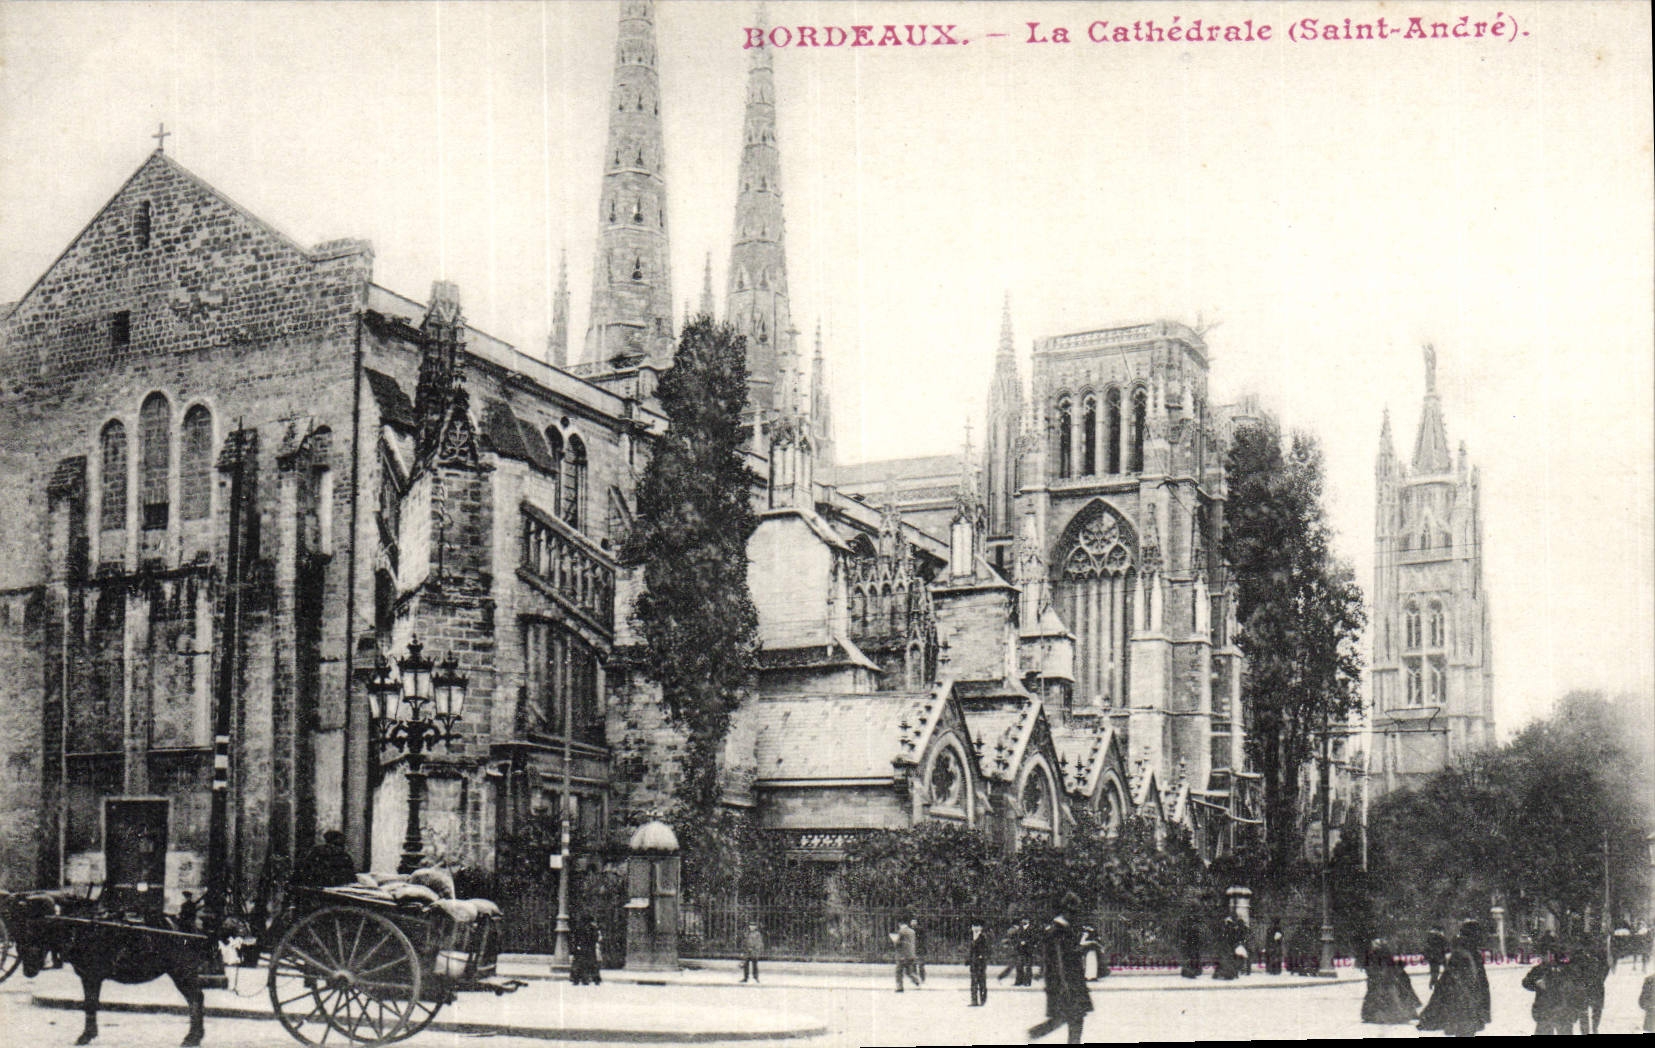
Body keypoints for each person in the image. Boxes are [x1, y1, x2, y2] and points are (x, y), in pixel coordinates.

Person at [1027, 894, 1093, 1044]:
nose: (1076, 915)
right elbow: (1059, 959)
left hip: (1069, 981)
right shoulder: (1058, 931)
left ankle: (1032, 1035)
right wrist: (1065, 984)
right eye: (1074, 911)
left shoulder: (1060, 929)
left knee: (1072, 1017)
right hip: (1066, 982)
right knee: (1068, 1017)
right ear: (1067, 911)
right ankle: (1030, 1035)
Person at [1417, 920, 1492, 1037]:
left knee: (1466, 1031)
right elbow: (1455, 978)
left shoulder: (1469, 952)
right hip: (1465, 1002)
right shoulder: (1463, 953)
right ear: (1473, 936)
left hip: (1467, 1001)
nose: (1481, 938)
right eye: (1478, 935)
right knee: (1465, 1031)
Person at [1361, 938, 1422, 1024]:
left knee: (1391, 994)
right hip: (1385, 979)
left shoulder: (1376, 954)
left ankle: (1376, 1015)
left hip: (1383, 979)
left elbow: (1374, 967)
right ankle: (1403, 1013)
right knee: (1394, 994)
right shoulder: (1381, 954)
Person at [1521, 946, 1573, 1036]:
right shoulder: (1539, 969)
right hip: (1545, 1010)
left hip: (1562, 1009)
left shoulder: (1565, 969)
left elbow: (1573, 985)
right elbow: (1525, 982)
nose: (1549, 958)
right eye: (1546, 955)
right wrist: (1536, 983)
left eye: (1551, 955)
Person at [291, 829, 358, 889]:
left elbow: (351, 876)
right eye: (336, 844)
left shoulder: (345, 857)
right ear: (328, 843)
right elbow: (308, 872)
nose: (339, 848)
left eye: (341, 845)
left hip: (339, 887)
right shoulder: (317, 853)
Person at [1569, 943, 1607, 1035]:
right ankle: (1589, 1030)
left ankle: (1593, 1029)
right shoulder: (1579, 957)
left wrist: (1600, 979)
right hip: (1587, 986)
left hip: (1593, 986)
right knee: (1586, 1011)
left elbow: (1606, 967)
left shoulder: (1599, 956)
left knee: (1593, 1010)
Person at [1001, 917, 1037, 986]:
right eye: (1022, 920)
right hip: (1021, 950)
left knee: (1028, 967)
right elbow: (1017, 938)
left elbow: (1034, 939)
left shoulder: (1032, 929)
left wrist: (1026, 942)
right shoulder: (1020, 929)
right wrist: (1019, 942)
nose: (1023, 921)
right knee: (1019, 966)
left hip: (1029, 950)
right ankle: (1019, 981)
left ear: (1028, 921)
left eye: (1025, 920)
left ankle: (1027, 982)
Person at [891, 917, 921, 992]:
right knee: (909, 971)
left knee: (898, 971)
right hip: (911, 954)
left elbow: (898, 943)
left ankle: (899, 987)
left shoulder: (901, 931)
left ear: (899, 924)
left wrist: (894, 941)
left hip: (902, 955)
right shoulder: (912, 931)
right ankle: (916, 980)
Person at [967, 920, 991, 1006]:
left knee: (981, 982)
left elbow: (987, 949)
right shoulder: (971, 936)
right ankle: (974, 1001)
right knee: (973, 982)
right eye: (974, 926)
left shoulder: (984, 937)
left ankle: (983, 1000)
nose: (975, 928)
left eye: (977, 926)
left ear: (981, 928)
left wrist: (982, 956)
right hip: (973, 963)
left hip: (981, 963)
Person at [1424, 924, 1449, 989]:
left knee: (1434, 973)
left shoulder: (1429, 937)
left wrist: (1427, 956)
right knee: (1447, 970)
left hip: (1433, 958)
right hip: (1440, 956)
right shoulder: (1441, 937)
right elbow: (1446, 946)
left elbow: (1426, 948)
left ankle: (1433, 984)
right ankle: (1441, 984)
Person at [1179, 913, 1203, 979]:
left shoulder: (1188, 927)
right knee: (1191, 959)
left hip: (1191, 945)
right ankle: (1190, 972)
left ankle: (1188, 972)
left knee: (1189, 959)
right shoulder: (1193, 928)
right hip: (1192, 945)